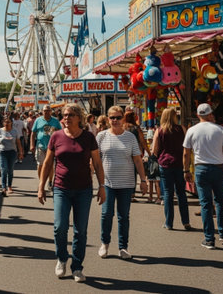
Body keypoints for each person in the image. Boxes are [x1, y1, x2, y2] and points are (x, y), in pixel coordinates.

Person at [38, 104, 105, 283]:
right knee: (59, 227)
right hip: (61, 188)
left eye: (70, 115)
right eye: (64, 115)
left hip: (83, 189)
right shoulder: (56, 136)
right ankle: (61, 258)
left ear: (79, 118)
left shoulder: (88, 137)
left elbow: (97, 163)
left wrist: (102, 186)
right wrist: (41, 186)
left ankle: (77, 267)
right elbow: (47, 162)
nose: (66, 118)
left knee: (80, 231)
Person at [97, 105, 147, 259]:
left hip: (126, 183)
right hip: (107, 183)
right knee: (106, 214)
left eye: (118, 117)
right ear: (108, 119)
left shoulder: (130, 137)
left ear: (123, 118)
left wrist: (143, 180)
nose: (115, 120)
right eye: (112, 118)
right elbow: (96, 160)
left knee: (123, 216)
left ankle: (123, 247)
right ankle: (105, 243)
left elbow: (137, 160)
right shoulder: (101, 136)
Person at [183, 103, 223, 249]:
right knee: (220, 202)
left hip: (201, 169)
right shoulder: (220, 129)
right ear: (210, 114)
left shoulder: (192, 130)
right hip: (218, 169)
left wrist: (186, 170)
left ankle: (209, 239)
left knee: (205, 204)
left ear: (198, 115)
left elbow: (186, 153)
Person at [152, 108, 190, 231]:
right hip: (179, 163)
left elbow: (155, 150)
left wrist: (158, 156)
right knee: (181, 193)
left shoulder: (160, 130)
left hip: (165, 164)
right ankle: (186, 222)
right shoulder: (182, 129)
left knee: (168, 193)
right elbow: (186, 148)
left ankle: (169, 223)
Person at [30, 105, 62, 188]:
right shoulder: (38, 120)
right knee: (40, 164)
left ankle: (50, 181)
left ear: (51, 111)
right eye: (45, 110)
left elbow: (60, 132)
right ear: (42, 111)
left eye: (48, 110)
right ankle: (41, 182)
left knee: (50, 165)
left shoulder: (55, 121)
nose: (46, 112)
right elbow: (33, 133)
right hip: (40, 146)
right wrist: (32, 144)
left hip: (51, 147)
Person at [0, 117, 23, 196]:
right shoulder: (0, 131)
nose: (7, 123)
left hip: (12, 152)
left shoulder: (15, 131)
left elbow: (18, 143)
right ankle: (3, 187)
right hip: (2, 152)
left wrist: (21, 152)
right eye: (5, 122)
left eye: (8, 122)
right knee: (3, 169)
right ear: (3, 123)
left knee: (10, 170)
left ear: (11, 123)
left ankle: (9, 186)